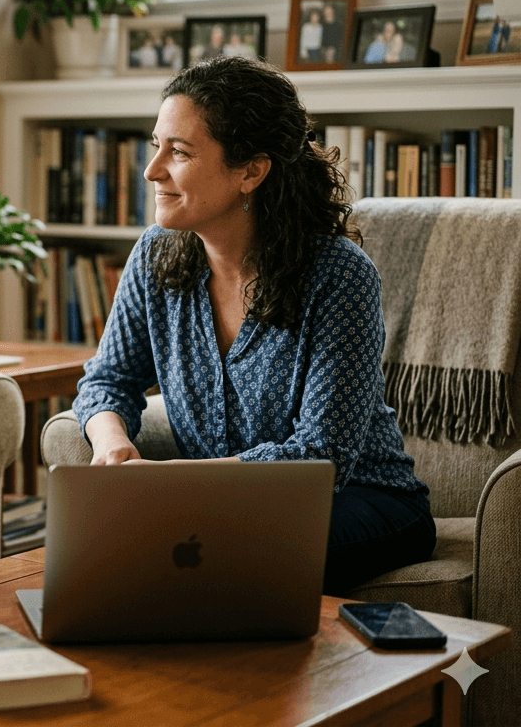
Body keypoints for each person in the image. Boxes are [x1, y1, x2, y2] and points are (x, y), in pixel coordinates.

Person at [72, 57, 435, 597]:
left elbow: (322, 453)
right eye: (156, 145)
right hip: (222, 504)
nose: (152, 170)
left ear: (251, 171)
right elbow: (107, 381)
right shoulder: (154, 256)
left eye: (180, 152)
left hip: (364, 500)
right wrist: (112, 445)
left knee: (219, 555)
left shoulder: (339, 276)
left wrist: (170, 485)